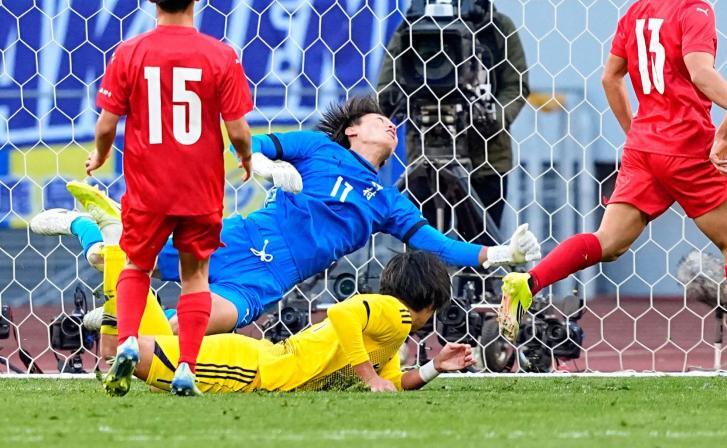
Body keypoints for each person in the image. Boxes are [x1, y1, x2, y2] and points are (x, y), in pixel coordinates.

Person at [35, 95, 541, 336]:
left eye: (393, 124)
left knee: (182, 329)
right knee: (127, 253)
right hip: (241, 235)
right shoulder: (318, 147)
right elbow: (248, 145)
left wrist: (500, 253)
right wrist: (267, 168)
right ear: (351, 132)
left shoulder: (387, 201)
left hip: (274, 275)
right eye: (379, 119)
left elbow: (435, 242)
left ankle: (117, 311)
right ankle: (90, 224)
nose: (391, 124)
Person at [499, 0, 727, 341]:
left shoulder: (638, 11)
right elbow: (700, 73)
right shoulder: (696, 11)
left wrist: (635, 130)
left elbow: (610, 77)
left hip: (645, 147)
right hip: (688, 146)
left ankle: (525, 284)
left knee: (608, 242)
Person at [90, 0, 254, 396]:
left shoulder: (130, 53)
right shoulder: (221, 55)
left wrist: (101, 155)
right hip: (199, 189)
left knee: (136, 264)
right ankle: (185, 367)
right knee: (195, 276)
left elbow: (106, 123)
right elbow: (238, 130)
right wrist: (244, 157)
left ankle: (126, 341)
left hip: (148, 188)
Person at [102, 249, 474, 394]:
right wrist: (368, 376)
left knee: (141, 340)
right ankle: (105, 242)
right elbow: (342, 313)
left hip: (256, 359)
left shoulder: (390, 332)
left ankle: (111, 248)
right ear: (429, 301)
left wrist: (434, 367)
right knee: (135, 354)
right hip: (252, 369)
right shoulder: (395, 313)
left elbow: (393, 382)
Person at [377, 0, 529, 238]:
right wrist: (391, 107)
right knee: (424, 242)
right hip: (425, 151)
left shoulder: (498, 27)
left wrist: (494, 117)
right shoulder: (410, 27)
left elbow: (516, 84)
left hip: (485, 154)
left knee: (483, 246)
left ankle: (482, 285)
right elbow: (388, 83)